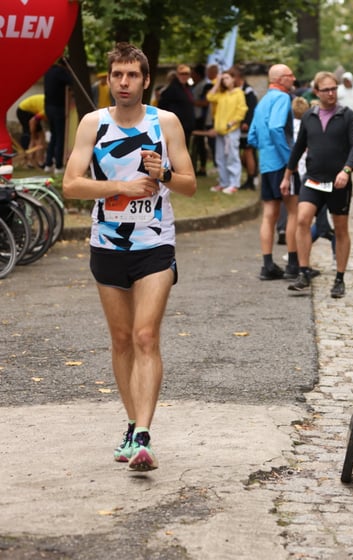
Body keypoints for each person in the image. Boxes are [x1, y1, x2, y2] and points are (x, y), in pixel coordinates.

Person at [61, 42, 197, 471]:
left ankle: (143, 434)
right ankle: (130, 423)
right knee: (120, 340)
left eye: (132, 75)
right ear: (108, 79)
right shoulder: (92, 124)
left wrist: (164, 175)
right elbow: (71, 184)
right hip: (107, 244)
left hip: (154, 242)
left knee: (144, 336)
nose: (123, 82)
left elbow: (190, 184)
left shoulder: (166, 122)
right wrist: (118, 188)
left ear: (145, 80)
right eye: (117, 75)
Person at [281, 71, 353, 299]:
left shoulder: (348, 116)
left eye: (334, 89)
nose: (331, 93)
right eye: (326, 89)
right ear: (316, 91)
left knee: (340, 228)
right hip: (314, 179)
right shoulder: (309, 116)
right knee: (303, 219)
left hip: (338, 182)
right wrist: (287, 175)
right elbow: (298, 147)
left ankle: (339, 278)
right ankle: (304, 271)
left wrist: (346, 170)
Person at [248, 64, 296, 281]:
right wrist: (289, 161)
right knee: (293, 212)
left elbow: (252, 137)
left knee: (269, 215)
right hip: (281, 164)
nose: (293, 79)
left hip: (266, 164)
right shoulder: (283, 98)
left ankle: (267, 265)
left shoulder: (262, 101)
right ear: (280, 79)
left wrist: (265, 151)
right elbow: (277, 128)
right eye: (289, 75)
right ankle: (294, 264)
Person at [206, 70, 247, 194]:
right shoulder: (221, 94)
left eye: (227, 78)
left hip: (231, 131)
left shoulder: (238, 93)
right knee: (220, 157)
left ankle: (234, 183)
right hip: (220, 131)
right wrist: (217, 83)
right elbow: (210, 97)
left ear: (234, 79)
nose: (225, 80)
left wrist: (232, 122)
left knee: (232, 157)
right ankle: (224, 182)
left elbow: (242, 110)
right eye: (223, 79)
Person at [42, 59, 74, 173]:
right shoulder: (61, 71)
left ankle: (48, 163)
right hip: (58, 108)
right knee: (60, 136)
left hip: (48, 107)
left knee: (53, 136)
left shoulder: (48, 71)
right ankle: (59, 166)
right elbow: (72, 81)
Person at [231, 65, 259, 190]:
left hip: (247, 127)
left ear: (238, 77)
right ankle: (251, 176)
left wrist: (247, 123)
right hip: (239, 127)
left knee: (248, 153)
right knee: (245, 154)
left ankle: (251, 179)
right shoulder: (237, 90)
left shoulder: (248, 91)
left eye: (232, 76)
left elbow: (252, 109)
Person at [157, 64, 196, 146]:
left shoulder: (187, 87)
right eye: (182, 74)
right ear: (177, 75)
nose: (184, 76)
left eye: (186, 74)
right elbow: (162, 105)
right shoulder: (172, 89)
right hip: (176, 126)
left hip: (186, 126)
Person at [16, 94, 46, 168]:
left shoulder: (49, 105)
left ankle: (32, 161)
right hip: (24, 111)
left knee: (38, 135)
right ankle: (38, 161)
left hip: (25, 109)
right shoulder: (45, 111)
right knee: (38, 137)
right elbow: (32, 121)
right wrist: (33, 135)